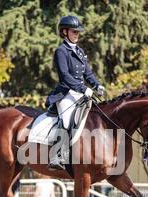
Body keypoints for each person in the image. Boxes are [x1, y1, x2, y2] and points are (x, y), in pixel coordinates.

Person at [45, 15, 105, 170]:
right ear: (64, 32)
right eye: (74, 32)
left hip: (81, 93)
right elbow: (65, 77)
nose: (77, 35)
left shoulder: (79, 51)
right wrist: (84, 88)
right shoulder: (61, 51)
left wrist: (97, 85)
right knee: (66, 119)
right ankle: (56, 155)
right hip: (65, 93)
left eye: (78, 32)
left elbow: (88, 73)